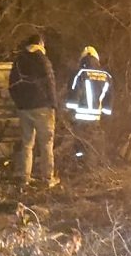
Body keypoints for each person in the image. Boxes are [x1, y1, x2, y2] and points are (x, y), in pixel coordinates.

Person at [8, 34, 59, 187]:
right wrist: (53, 103)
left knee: (26, 144)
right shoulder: (42, 59)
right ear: (40, 43)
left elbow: (12, 84)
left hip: (24, 108)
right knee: (46, 144)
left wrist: (19, 102)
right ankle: (47, 178)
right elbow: (50, 82)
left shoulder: (19, 60)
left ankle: (25, 177)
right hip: (42, 107)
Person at [65, 46, 113, 160]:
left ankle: (79, 163)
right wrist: (105, 116)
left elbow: (73, 93)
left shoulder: (79, 73)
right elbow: (109, 98)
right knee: (92, 143)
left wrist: (69, 113)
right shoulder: (106, 76)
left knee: (79, 143)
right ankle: (91, 166)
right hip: (96, 118)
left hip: (80, 117)